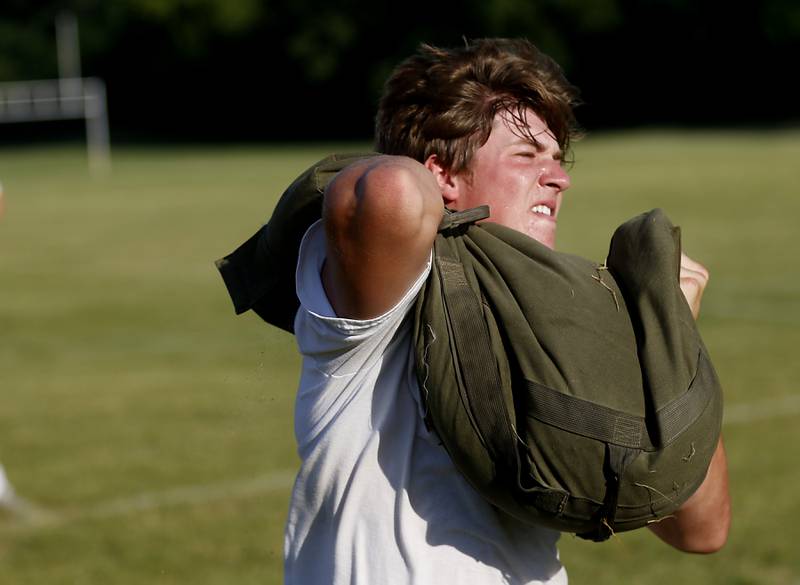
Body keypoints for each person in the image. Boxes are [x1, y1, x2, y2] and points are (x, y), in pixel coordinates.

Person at [281, 38, 730, 584]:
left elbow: (701, 530)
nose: (559, 178)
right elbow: (385, 192)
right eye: (526, 156)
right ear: (442, 176)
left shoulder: (572, 314)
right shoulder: (376, 302)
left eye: (556, 160)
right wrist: (442, 164)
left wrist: (673, 338)